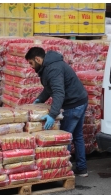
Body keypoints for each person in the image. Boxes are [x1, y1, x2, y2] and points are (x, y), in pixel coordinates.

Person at [25, 47, 89, 177]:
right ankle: (81, 168)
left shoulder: (53, 69)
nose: (31, 67)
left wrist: (52, 115)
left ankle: (62, 170)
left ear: (37, 59)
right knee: (77, 136)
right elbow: (50, 87)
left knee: (63, 138)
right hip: (80, 100)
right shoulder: (49, 65)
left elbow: (59, 92)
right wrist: (40, 100)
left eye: (31, 63)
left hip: (73, 104)